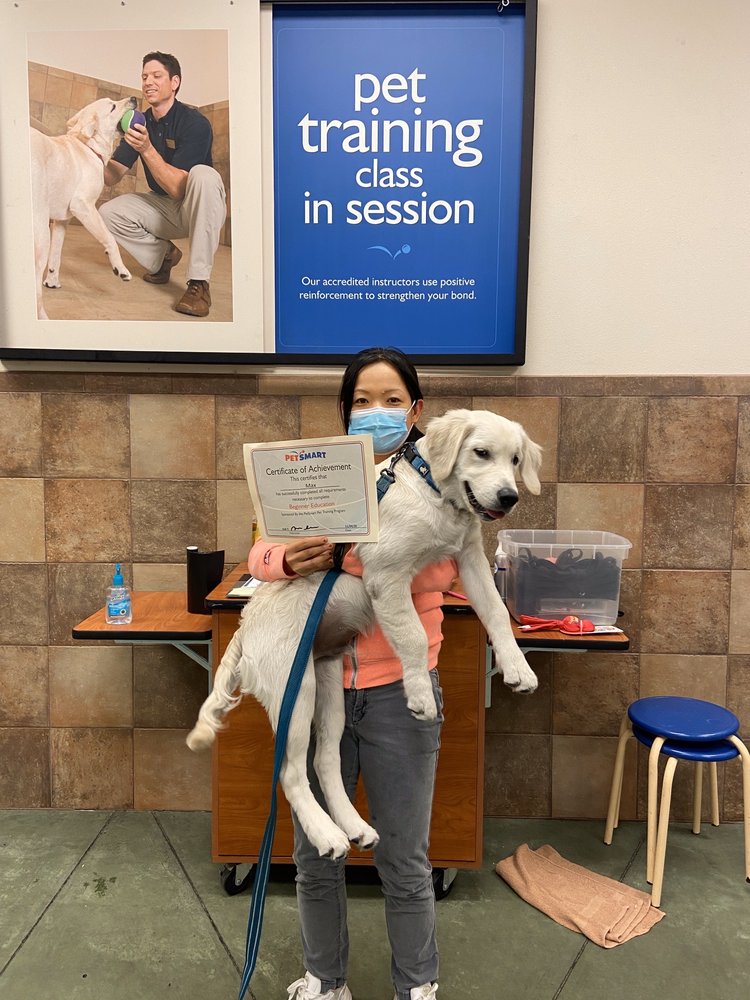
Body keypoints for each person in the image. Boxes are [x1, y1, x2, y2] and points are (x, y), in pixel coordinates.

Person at [248, 347, 454, 1000]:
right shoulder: (316, 475)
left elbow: (446, 571)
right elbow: (260, 551)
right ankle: (325, 980)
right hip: (321, 690)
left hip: (402, 696)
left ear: (415, 411)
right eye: (362, 401)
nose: (376, 412)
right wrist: (288, 560)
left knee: (404, 857)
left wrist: (357, 556)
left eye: (391, 401)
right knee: (315, 855)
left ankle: (416, 986)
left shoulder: (440, 480)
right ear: (344, 410)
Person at [100, 51, 226, 318]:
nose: (148, 82)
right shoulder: (140, 122)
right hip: (165, 208)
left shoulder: (194, 122)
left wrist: (146, 149)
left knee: (204, 174)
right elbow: (112, 176)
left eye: (157, 76)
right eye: (145, 76)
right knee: (107, 212)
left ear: (174, 82)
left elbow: (179, 189)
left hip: (197, 207)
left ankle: (199, 284)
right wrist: (94, 149)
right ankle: (164, 255)